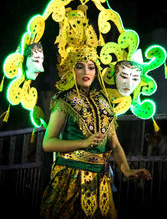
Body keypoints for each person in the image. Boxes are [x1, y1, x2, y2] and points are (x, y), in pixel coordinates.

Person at [40, 55, 151, 218]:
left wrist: (127, 171)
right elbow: (48, 143)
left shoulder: (104, 102)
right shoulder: (64, 100)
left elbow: (115, 145)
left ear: (97, 71)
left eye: (91, 67)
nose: (86, 71)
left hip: (99, 179)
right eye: (80, 66)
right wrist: (83, 142)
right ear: (72, 69)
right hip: (71, 176)